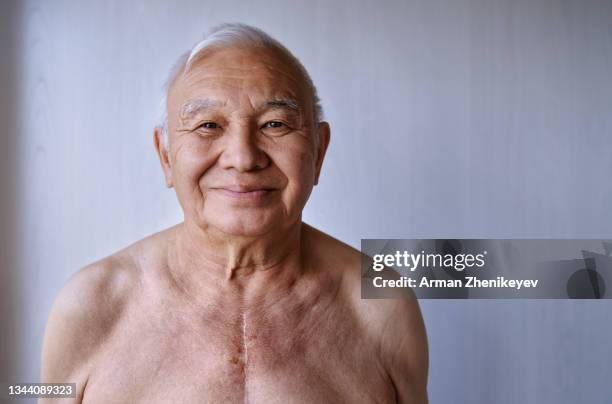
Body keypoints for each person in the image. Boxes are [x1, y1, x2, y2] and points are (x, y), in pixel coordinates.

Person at [41, 23, 428, 403]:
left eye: (275, 124)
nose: (243, 158)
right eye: (208, 125)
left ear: (319, 153)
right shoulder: (90, 304)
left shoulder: (382, 304)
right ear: (164, 156)